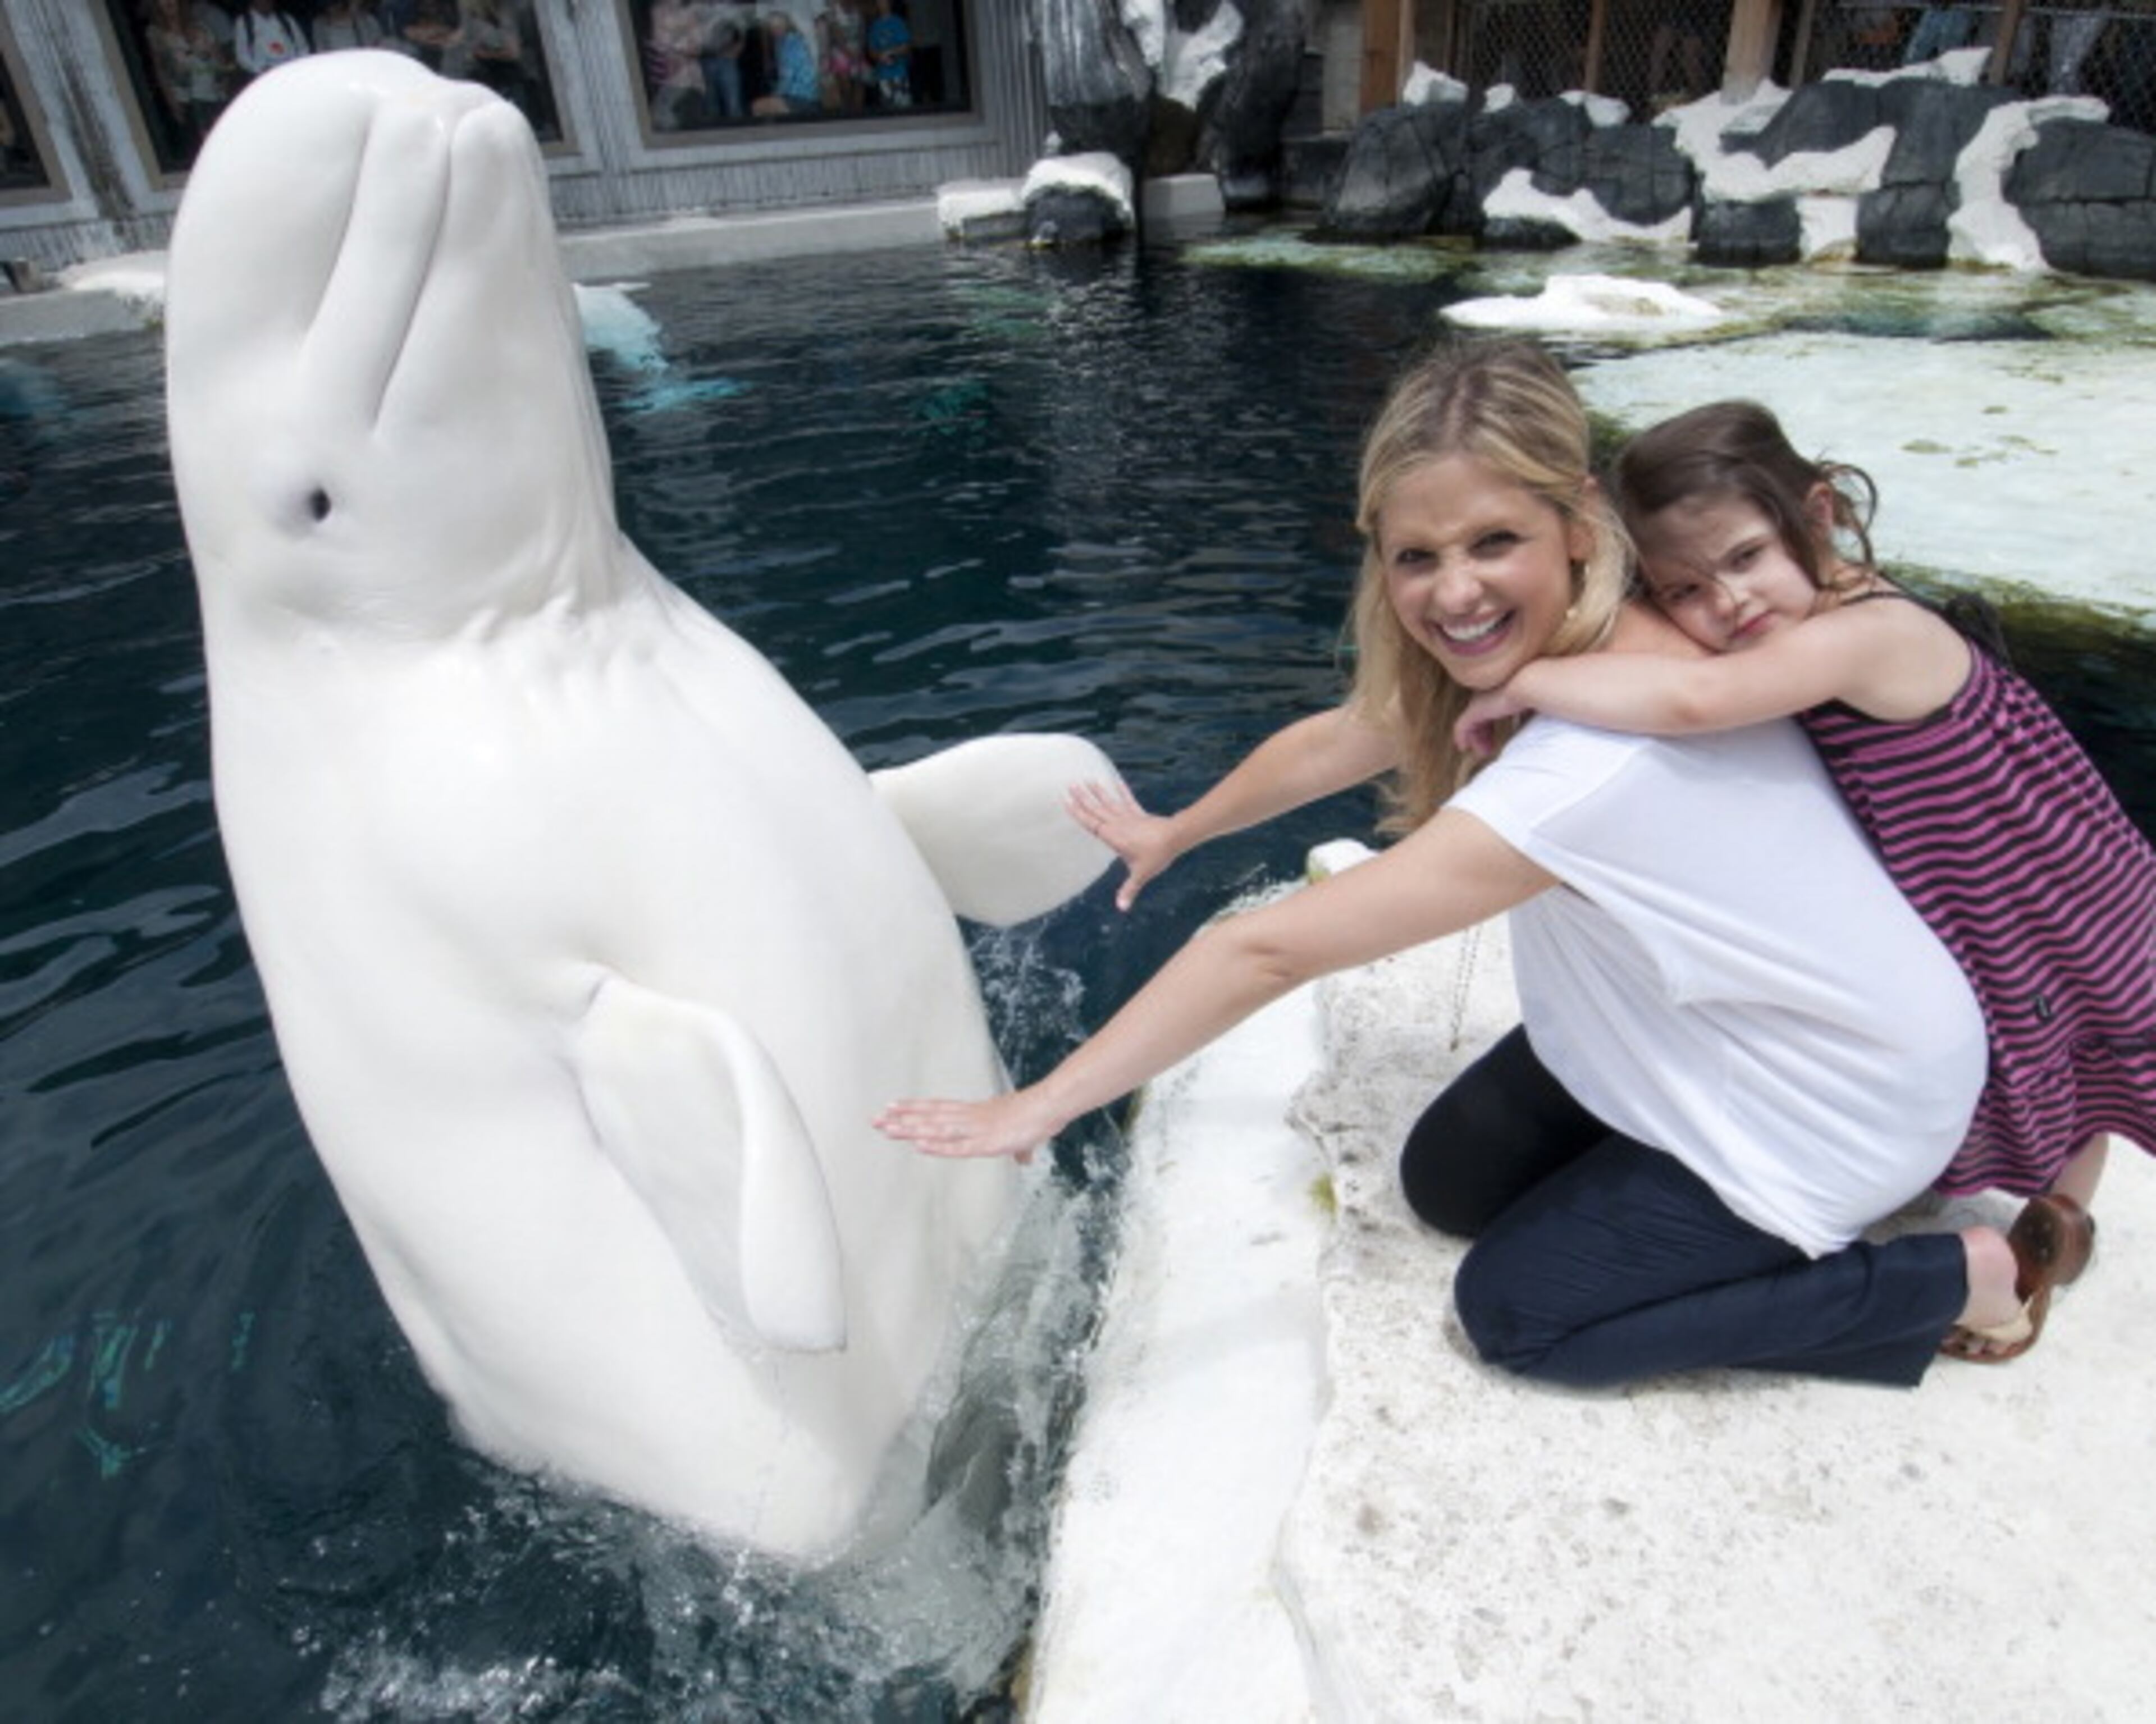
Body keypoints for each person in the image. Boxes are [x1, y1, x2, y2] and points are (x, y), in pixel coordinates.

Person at [880, 342, 2066, 1393]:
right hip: (1721, 1032)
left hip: (1830, 1101)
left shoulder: (1595, 759)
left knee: (1518, 1313)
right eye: (1418, 555)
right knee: (1446, 1183)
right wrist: (1175, 827)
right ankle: (1687, 1176)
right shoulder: (1575, 640)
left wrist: (1036, 1105)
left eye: (1495, 540)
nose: (1455, 590)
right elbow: (1353, 728)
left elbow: (1267, 945)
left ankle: (1950, 1276)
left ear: (1580, 522)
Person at [1449, 398, 2153, 1359]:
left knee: (2071, 1026)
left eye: (1745, 558)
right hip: (1978, 870)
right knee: (2044, 1027)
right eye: (1687, 589)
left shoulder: (1869, 630)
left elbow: (1699, 696)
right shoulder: (1802, 618)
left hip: (2040, 874)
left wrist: (1525, 680)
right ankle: (2052, 1214)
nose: (1727, 604)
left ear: (1817, 516)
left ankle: (2061, 1216)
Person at [230, 0, 312, 80]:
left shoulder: (286, 19)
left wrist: (297, 66)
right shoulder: (244, 23)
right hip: (264, 76)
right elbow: (242, 56)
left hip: (291, 72)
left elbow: (303, 47)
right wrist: (260, 69)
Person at [864, 0, 910, 107]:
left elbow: (906, 46)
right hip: (883, 75)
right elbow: (872, 51)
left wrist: (893, 53)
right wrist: (881, 56)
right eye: (879, 2)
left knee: (904, 106)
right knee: (887, 108)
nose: (882, 4)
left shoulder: (898, 23)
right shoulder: (875, 26)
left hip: (899, 73)